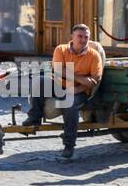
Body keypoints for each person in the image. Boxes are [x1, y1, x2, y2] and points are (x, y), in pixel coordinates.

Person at [27, 23, 103, 161]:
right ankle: (34, 117)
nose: (83, 40)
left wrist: (76, 87)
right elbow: (57, 70)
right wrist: (79, 78)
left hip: (80, 91)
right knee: (40, 81)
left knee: (69, 105)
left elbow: (94, 80)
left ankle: (69, 145)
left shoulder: (94, 55)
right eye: (79, 36)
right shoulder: (61, 49)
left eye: (86, 37)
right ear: (72, 37)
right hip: (59, 85)